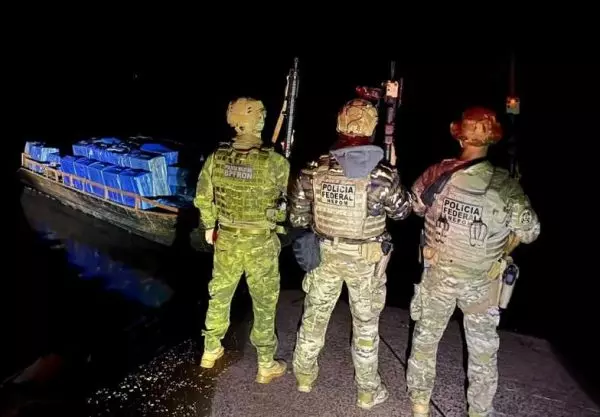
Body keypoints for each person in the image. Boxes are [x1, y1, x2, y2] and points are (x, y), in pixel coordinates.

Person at [405, 107, 541, 417]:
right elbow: (531, 232)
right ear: (492, 139)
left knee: (426, 340)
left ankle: (419, 403)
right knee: (482, 354)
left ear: (458, 135)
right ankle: (479, 410)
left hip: (438, 274)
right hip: (481, 282)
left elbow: (414, 206)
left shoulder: (437, 173)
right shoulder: (505, 185)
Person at [290, 98, 413, 410]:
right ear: (371, 128)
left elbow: (297, 218)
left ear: (339, 124)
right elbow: (402, 213)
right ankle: (367, 392)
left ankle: (304, 376)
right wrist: (394, 173)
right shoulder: (381, 175)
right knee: (366, 326)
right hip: (365, 261)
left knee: (314, 318)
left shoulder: (312, 169)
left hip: (325, 255)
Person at [193, 97, 290, 384]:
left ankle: (210, 350)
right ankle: (265, 363)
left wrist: (209, 225)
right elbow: (289, 205)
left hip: (227, 239)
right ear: (258, 121)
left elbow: (203, 197)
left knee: (220, 295)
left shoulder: (217, 157)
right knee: (264, 302)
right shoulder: (274, 162)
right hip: (260, 242)